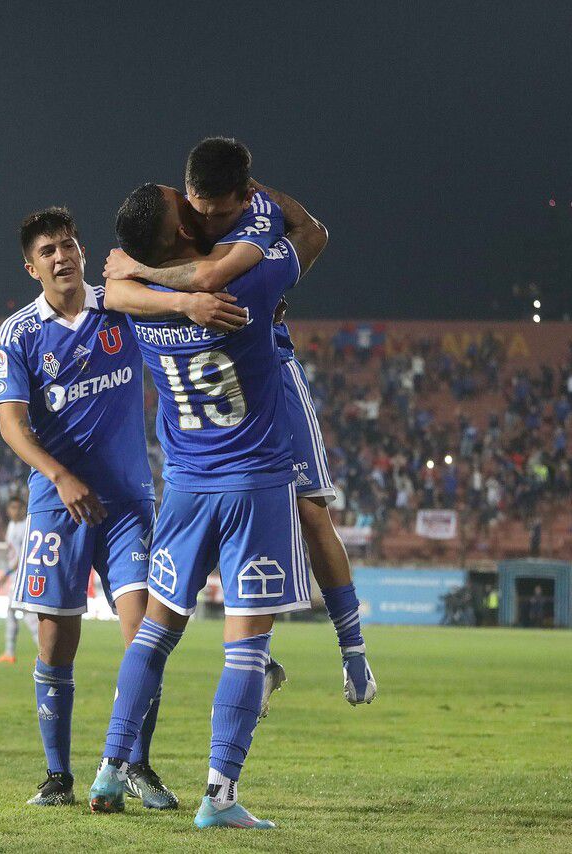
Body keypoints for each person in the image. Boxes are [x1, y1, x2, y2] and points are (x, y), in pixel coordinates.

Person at [89, 178, 327, 830]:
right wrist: (255, 191)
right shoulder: (240, 290)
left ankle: (110, 768)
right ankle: (219, 796)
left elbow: (110, 288)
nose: (195, 208)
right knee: (247, 649)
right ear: (179, 235)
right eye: (183, 206)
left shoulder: (140, 304)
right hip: (253, 488)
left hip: (186, 488)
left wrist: (143, 273)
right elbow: (311, 235)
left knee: (155, 636)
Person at [104, 137, 374, 707]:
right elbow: (115, 290)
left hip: (269, 365)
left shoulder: (256, 215)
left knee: (306, 506)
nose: (203, 219)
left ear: (245, 195)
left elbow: (219, 274)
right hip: (219, 391)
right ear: (184, 192)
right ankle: (256, 650)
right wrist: (173, 292)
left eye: (216, 211)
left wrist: (155, 275)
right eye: (196, 207)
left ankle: (351, 648)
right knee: (237, 501)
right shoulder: (164, 215)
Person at [0, 208, 234, 809]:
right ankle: (58, 776)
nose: (61, 256)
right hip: (57, 505)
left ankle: (135, 763)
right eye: (47, 250)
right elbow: (11, 425)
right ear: (31, 266)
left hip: (128, 503)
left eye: (68, 244)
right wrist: (59, 475)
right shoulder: (18, 334)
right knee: (54, 642)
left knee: (144, 634)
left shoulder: (118, 305)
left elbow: (185, 296)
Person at [0, 496, 39, 663]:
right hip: (16, 576)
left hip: (22, 575)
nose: (15, 511)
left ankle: (43, 653)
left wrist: (6, 574)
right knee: (14, 611)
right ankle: (10, 652)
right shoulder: (12, 525)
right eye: (12, 507)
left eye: (18, 507)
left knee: (27, 614)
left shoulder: (26, 525)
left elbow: (24, 555)